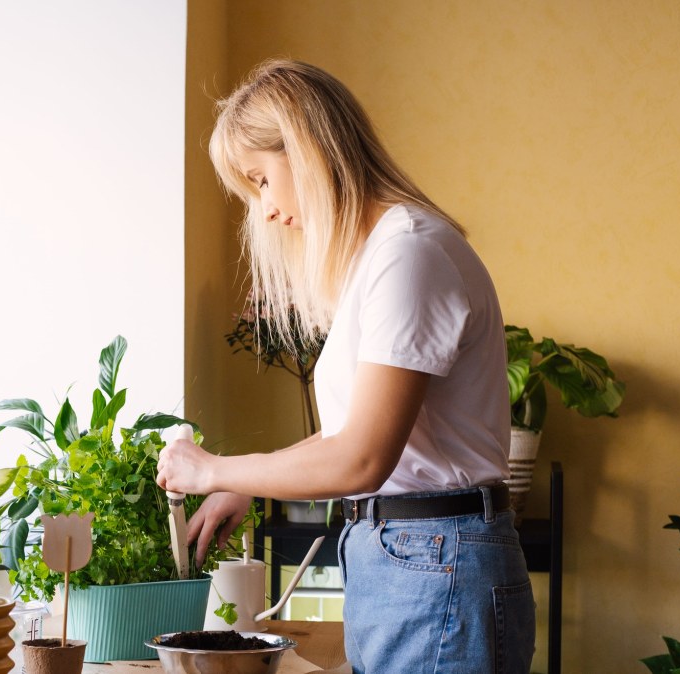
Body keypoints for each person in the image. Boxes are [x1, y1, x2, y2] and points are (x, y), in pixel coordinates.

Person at [156, 59, 535, 673]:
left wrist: (211, 469)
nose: (266, 210)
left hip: (434, 564)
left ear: (304, 148)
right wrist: (243, 481)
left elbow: (362, 457)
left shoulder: (410, 251)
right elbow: (363, 434)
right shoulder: (387, 255)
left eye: (260, 179)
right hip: (412, 561)